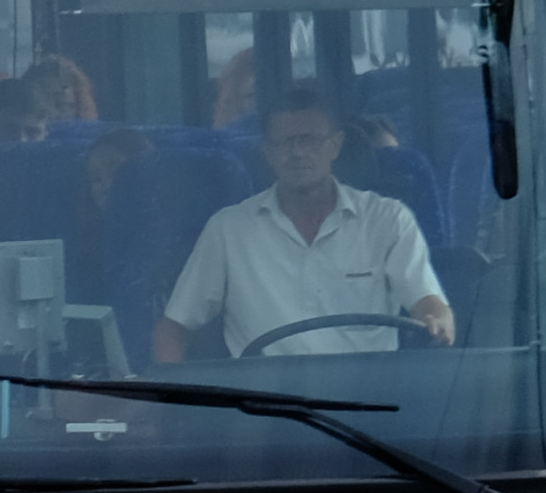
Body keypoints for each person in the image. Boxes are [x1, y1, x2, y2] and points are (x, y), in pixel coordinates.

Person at [153, 89, 451, 362]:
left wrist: (436, 322)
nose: (297, 152)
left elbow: (430, 304)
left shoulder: (388, 220)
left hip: (368, 405)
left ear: (335, 146)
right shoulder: (228, 230)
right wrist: (174, 404)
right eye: (284, 142)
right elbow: (172, 330)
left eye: (308, 140)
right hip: (262, 407)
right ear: (267, 152)